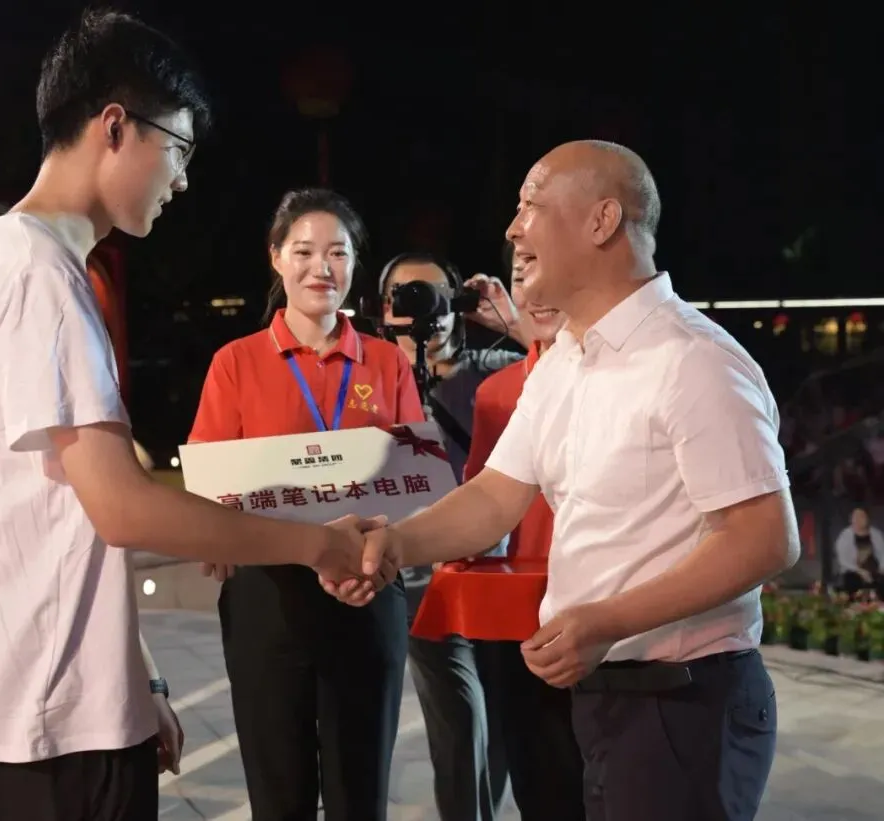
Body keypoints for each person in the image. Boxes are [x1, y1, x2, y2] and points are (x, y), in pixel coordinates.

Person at [0, 13, 386, 821]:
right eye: (179, 148)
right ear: (115, 127)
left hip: (34, 708)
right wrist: (315, 543)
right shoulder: (37, 275)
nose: (182, 179)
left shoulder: (3, 256)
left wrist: (138, 679)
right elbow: (121, 506)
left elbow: (59, 514)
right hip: (42, 729)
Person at [328, 140, 800, 821]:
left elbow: (764, 539)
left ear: (602, 220)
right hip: (599, 695)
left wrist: (606, 621)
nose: (514, 229)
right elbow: (496, 495)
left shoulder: (691, 361)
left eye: (531, 206)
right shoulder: (565, 361)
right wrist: (394, 544)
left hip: (682, 703)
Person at [187, 187, 423, 821]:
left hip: (367, 589)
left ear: (355, 263)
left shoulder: (386, 362)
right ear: (276, 258)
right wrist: (214, 534)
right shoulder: (235, 363)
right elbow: (209, 483)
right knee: (279, 794)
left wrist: (379, 557)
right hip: (268, 596)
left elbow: (414, 479)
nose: (322, 267)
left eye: (338, 253)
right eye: (304, 251)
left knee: (360, 793)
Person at [378, 250, 523, 821]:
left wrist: (511, 320)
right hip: (421, 578)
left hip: (497, 570)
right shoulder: (370, 379)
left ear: (458, 305)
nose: (424, 312)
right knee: (459, 715)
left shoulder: (497, 367)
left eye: (436, 296)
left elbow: (571, 365)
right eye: (406, 298)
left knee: (503, 717)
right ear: (384, 309)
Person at [461, 250, 584, 819]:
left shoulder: (619, 380)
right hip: (522, 617)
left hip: (605, 612)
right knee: (542, 784)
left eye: (545, 269)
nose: (535, 288)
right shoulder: (496, 392)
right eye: (521, 276)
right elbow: (479, 506)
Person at [834, 507, 884, 599]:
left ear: (867, 519)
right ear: (851, 519)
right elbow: (843, 561)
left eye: (861, 516)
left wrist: (881, 568)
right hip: (854, 571)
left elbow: (882, 554)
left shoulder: (876, 534)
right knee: (851, 579)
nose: (858, 519)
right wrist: (860, 571)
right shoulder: (845, 536)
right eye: (855, 517)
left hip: (874, 570)